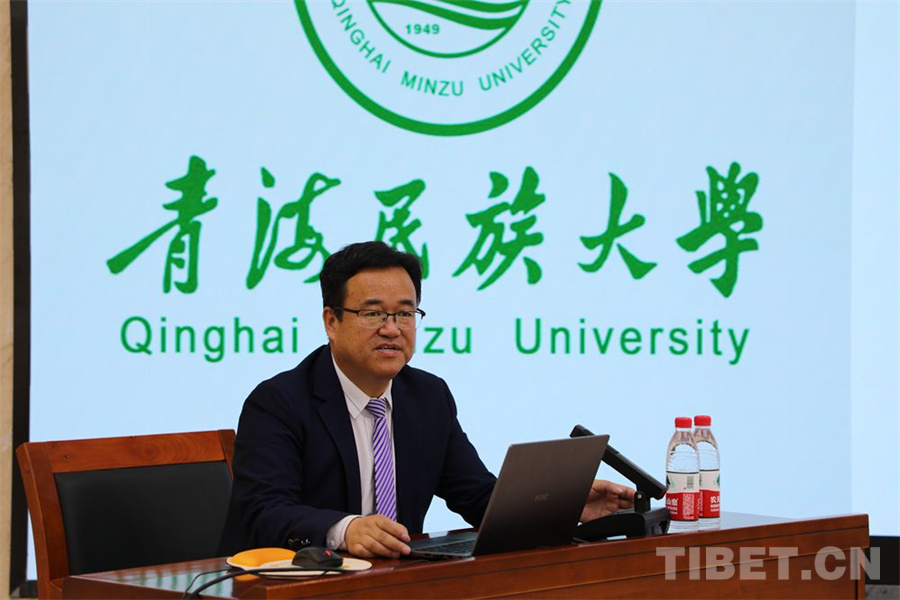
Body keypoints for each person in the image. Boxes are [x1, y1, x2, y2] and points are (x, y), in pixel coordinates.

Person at [219, 241, 634, 558]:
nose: (392, 328)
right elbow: (264, 512)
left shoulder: (427, 396)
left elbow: (479, 497)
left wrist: (562, 505)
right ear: (332, 321)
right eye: (373, 313)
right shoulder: (279, 403)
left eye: (405, 313)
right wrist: (345, 529)